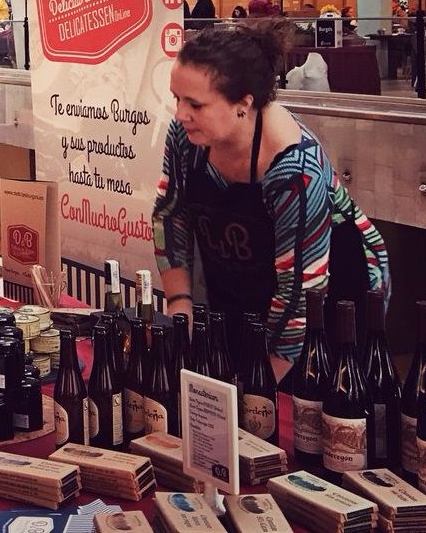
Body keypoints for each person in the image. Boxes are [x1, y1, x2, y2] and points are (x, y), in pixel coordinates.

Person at [152, 23, 388, 380]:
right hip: (246, 288)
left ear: (243, 104)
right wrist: (179, 303)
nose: (180, 114)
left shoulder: (295, 170)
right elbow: (169, 217)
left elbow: (299, 295)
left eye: (195, 104)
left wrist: (258, 389)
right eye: (177, 99)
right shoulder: (188, 136)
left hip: (329, 296)